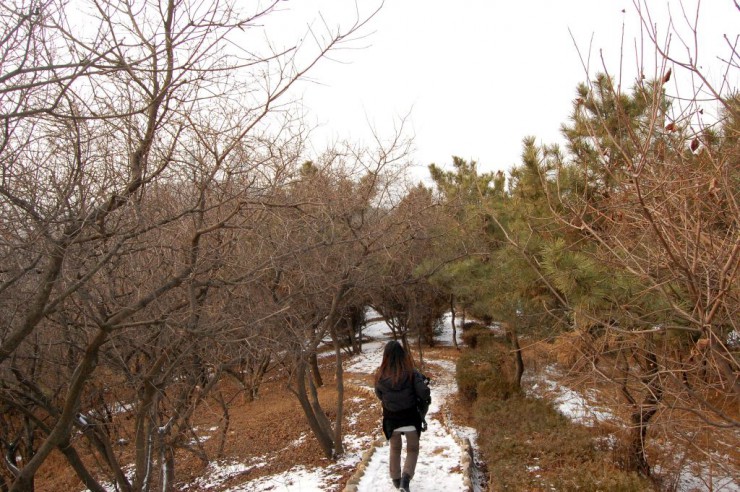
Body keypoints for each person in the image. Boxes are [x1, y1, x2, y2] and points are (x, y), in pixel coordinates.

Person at [374, 340, 431, 492]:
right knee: (412, 449)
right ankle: (405, 481)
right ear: (402, 355)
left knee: (395, 448)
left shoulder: (379, 376)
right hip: (411, 418)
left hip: (391, 420)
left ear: (386, 356)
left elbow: (379, 395)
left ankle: (396, 480)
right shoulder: (411, 373)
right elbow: (424, 392)